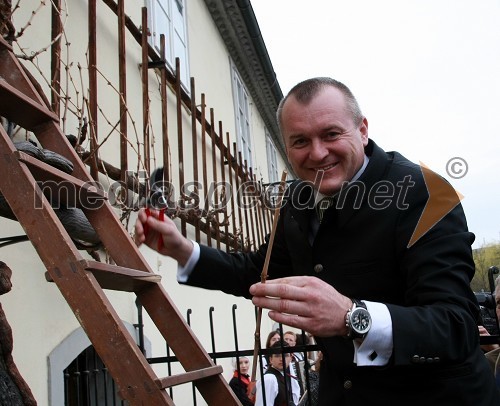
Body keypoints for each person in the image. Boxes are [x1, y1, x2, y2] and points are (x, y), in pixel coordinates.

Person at [135, 77, 500, 405]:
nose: (317, 153)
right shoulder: (296, 200)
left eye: (330, 134)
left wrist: (349, 315)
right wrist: (182, 248)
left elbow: (454, 326)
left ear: (362, 130)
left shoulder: (428, 193)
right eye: (300, 141)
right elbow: (257, 272)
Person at [255, 341, 300, 406]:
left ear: (290, 358)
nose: (281, 359)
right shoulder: (269, 379)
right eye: (277, 356)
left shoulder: (286, 375)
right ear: (270, 359)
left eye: (285, 355)